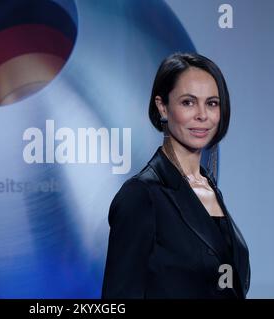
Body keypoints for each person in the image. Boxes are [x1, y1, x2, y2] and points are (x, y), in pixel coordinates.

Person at [102, 52, 250, 299]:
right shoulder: (142, 195)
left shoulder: (210, 188)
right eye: (188, 102)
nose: (202, 115)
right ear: (163, 107)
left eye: (212, 103)